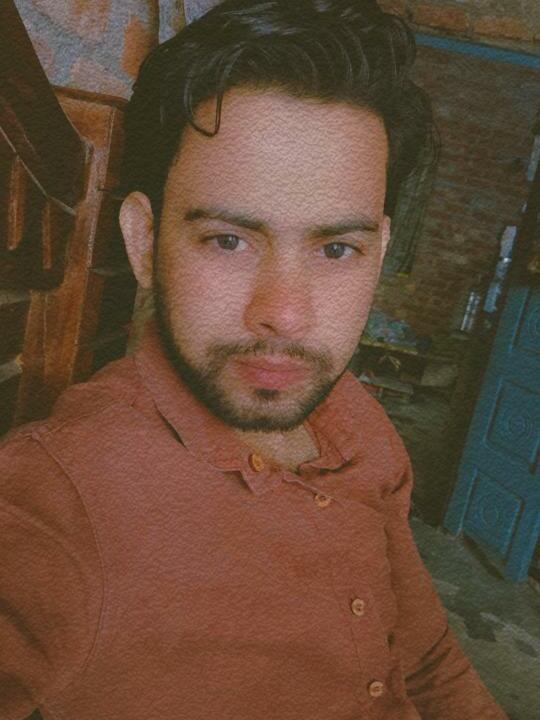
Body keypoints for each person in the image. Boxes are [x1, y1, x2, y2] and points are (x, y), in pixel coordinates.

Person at [0, 1, 508, 718]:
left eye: (337, 249)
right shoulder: (56, 500)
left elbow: (425, 655)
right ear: (144, 244)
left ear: (379, 254)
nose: (286, 313)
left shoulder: (355, 419)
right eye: (228, 241)